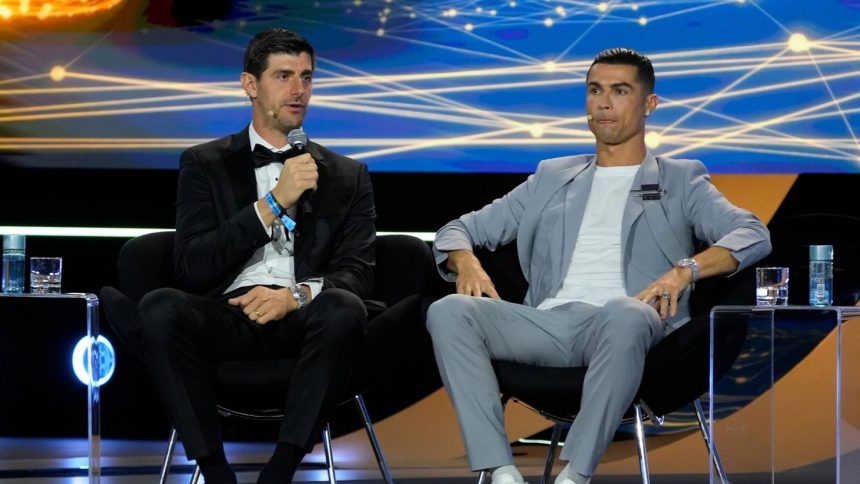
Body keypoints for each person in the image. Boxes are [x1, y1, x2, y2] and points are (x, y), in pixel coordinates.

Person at [426, 48, 771, 484]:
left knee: (625, 311)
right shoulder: (552, 176)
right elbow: (456, 230)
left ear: (649, 104)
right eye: (594, 90)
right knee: (448, 311)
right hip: (548, 323)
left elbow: (753, 233)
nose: (603, 103)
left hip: (630, 324)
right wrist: (466, 262)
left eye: (619, 91)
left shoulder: (682, 179)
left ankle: (576, 474)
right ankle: (500, 470)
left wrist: (684, 270)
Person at [130, 29, 375, 484]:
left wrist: (296, 296)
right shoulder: (204, 163)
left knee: (345, 306)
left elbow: (357, 273)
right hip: (229, 315)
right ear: (250, 84)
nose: (298, 90)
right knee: (160, 307)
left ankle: (281, 470)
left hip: (304, 321)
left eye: (306, 77)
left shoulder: (347, 175)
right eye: (283, 76)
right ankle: (214, 471)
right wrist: (273, 204)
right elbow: (192, 265)